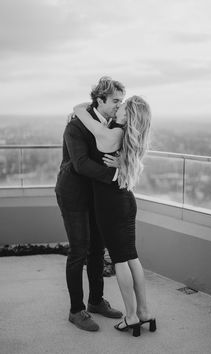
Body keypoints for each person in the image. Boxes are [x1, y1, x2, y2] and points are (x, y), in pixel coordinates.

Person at [73, 84, 156, 337]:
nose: (118, 107)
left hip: (110, 204)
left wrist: (84, 109)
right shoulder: (134, 137)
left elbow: (79, 110)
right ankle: (144, 313)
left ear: (127, 115)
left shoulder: (111, 136)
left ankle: (131, 317)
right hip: (126, 201)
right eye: (117, 103)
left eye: (123, 106)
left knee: (120, 260)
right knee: (132, 258)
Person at [55, 77, 126, 332]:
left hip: (96, 194)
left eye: (121, 100)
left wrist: (123, 164)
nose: (120, 105)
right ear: (100, 100)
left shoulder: (112, 124)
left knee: (97, 249)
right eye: (116, 100)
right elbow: (81, 164)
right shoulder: (75, 126)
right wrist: (114, 175)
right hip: (72, 194)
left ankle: (96, 301)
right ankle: (76, 311)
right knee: (79, 250)